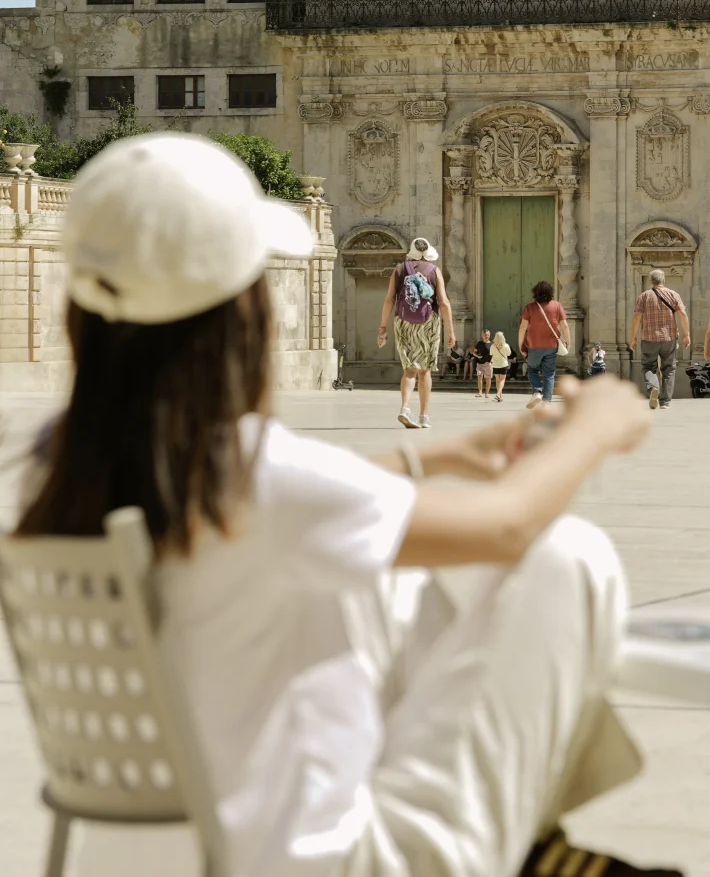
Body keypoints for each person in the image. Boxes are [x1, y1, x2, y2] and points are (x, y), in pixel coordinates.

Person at [15, 132, 676, 877]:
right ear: (244, 318)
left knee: (384, 576)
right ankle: (529, 840)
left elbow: (277, 507)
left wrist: (438, 456)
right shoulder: (253, 474)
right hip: (323, 862)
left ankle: (535, 841)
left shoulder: (61, 460)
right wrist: (591, 429)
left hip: (152, 854)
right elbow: (510, 527)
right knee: (565, 556)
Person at [378, 236, 455, 431]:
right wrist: (451, 331)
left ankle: (405, 408)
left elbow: (389, 300)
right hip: (428, 323)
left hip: (403, 323)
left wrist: (383, 327)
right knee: (425, 370)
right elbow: (444, 303)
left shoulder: (398, 269)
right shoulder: (434, 271)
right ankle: (424, 416)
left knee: (409, 369)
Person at [629, 269, 692, 409]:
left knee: (648, 366)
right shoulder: (673, 294)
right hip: (669, 337)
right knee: (669, 368)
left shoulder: (644, 296)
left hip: (649, 338)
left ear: (651, 281)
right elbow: (682, 314)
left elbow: (637, 317)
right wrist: (686, 334)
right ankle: (665, 402)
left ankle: (653, 388)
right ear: (663, 280)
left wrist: (633, 337)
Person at [519, 280, 570, 408]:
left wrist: (520, 344)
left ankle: (537, 391)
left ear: (535, 293)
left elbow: (522, 327)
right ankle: (546, 401)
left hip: (534, 346)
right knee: (549, 373)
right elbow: (564, 325)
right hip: (551, 346)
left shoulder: (530, 307)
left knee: (532, 369)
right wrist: (568, 341)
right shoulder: (557, 306)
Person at [490, 330, 511, 401]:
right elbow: (509, 354)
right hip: (503, 364)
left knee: (497, 380)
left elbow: (491, 354)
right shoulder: (506, 345)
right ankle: (498, 394)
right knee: (502, 380)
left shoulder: (492, 346)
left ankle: (500, 396)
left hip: (495, 365)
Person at [475, 329, 494, 399]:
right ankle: (480, 392)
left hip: (488, 363)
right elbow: (474, 352)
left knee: (488, 378)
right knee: (479, 377)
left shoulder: (492, 344)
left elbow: (494, 354)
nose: (487, 336)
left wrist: (491, 362)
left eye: (488, 335)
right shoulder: (479, 343)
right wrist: (477, 356)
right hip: (479, 363)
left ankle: (487, 393)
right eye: (485, 335)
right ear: (482, 335)